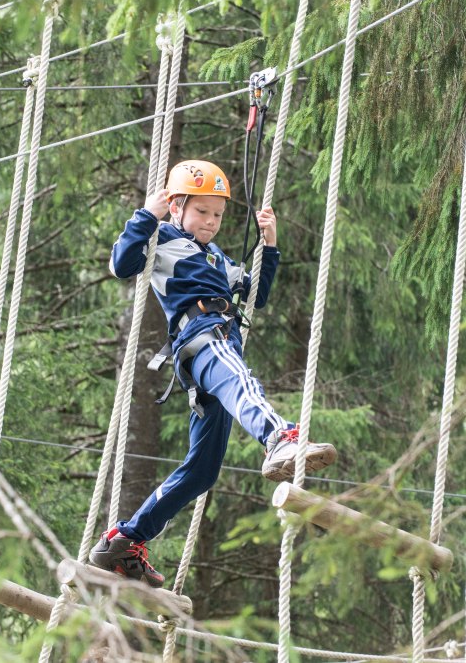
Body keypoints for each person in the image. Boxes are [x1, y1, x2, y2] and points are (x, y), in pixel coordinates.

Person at [90, 160, 337, 588]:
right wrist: (148, 215)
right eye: (202, 211)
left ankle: (125, 540)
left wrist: (269, 246)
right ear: (178, 206)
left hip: (217, 344)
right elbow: (121, 264)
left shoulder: (218, 257)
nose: (210, 222)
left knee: (202, 471)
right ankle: (279, 436)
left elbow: (256, 296)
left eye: (218, 215)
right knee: (241, 380)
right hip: (203, 336)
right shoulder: (162, 238)